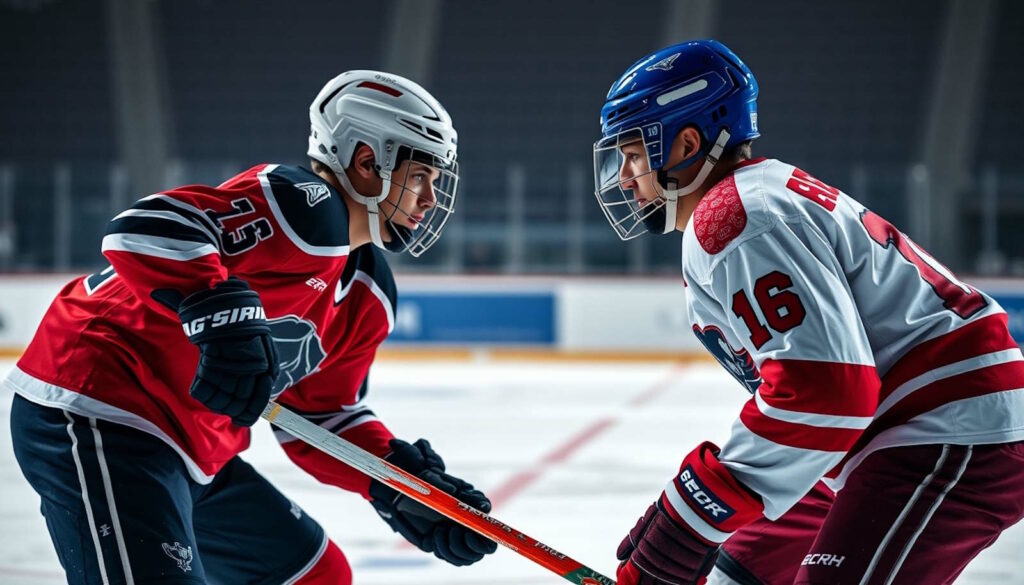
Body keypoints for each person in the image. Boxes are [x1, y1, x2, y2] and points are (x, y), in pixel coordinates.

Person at [6, 70, 496, 584]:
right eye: (420, 177)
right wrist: (219, 311)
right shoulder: (302, 208)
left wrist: (397, 481)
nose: (430, 199)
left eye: (436, 182)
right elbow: (143, 227)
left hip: (191, 448)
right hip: (97, 408)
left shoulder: (368, 294)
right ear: (368, 163)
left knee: (315, 576)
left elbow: (321, 417)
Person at [594, 40, 1024, 585]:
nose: (625, 179)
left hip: (942, 428)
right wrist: (706, 511)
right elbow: (830, 402)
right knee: (735, 575)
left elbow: (828, 391)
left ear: (685, 143)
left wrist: (696, 512)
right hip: (881, 431)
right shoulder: (753, 199)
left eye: (634, 156)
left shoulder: (736, 217)